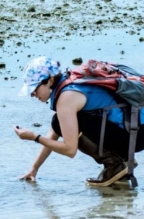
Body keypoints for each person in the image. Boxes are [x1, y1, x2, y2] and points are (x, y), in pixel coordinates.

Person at [14, 56, 144, 186]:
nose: (32, 94)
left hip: (136, 136)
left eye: (34, 88)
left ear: (50, 80)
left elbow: (70, 150)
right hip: (136, 130)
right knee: (59, 121)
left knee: (62, 121)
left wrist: (35, 137)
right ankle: (123, 159)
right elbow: (53, 133)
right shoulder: (71, 81)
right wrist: (34, 169)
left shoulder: (66, 98)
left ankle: (115, 165)